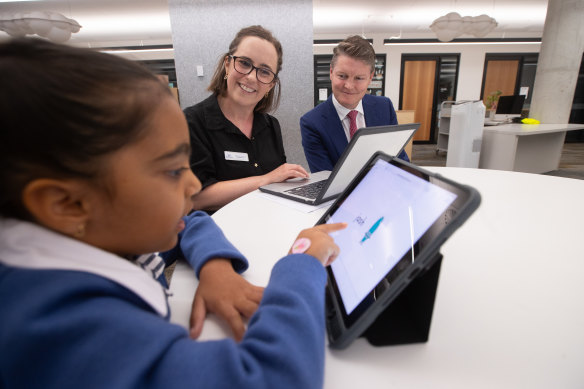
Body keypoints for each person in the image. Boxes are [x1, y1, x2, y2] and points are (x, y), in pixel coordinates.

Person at [0, 38, 346, 389]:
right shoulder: (63, 329)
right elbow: (274, 378)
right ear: (67, 204)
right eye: (171, 171)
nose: (193, 183)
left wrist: (214, 265)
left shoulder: (103, 228)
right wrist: (304, 263)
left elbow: (191, 221)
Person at [184, 25, 308, 212]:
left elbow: (278, 182)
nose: (251, 77)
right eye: (244, 63)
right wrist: (266, 179)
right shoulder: (192, 122)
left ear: (271, 85)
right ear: (227, 64)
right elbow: (197, 198)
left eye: (264, 71)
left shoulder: (271, 126)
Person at [300, 35, 410, 173]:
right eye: (342, 76)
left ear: (370, 78)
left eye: (359, 78)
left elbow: (399, 160)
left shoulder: (384, 107)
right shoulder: (312, 123)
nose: (349, 86)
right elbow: (325, 180)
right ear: (331, 72)